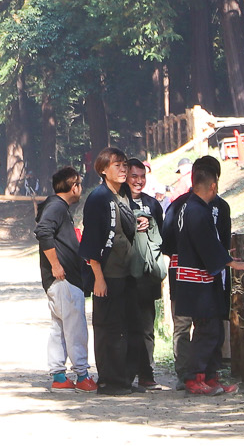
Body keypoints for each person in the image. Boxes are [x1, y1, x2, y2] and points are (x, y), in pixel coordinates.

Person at [162, 154, 244, 395]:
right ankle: (194, 377)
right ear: (213, 185)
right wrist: (230, 261)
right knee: (205, 330)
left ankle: (209, 376)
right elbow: (206, 244)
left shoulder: (187, 206)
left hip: (197, 278)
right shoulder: (196, 210)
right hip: (197, 280)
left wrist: (223, 258)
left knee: (213, 329)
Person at [79, 149, 163, 396]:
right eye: (117, 165)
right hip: (108, 274)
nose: (123, 169)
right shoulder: (98, 198)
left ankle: (125, 379)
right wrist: (98, 278)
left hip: (127, 274)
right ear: (103, 170)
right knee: (108, 329)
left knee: (128, 327)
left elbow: (123, 229)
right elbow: (92, 241)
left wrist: (141, 223)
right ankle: (110, 381)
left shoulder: (122, 195)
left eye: (124, 165)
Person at [35, 166, 93, 391]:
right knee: (75, 327)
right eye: (78, 184)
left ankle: (59, 376)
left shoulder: (56, 206)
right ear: (73, 185)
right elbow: (43, 232)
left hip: (60, 281)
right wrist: (56, 265)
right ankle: (82, 375)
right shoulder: (57, 207)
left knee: (59, 327)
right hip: (64, 279)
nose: (80, 189)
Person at [124, 156, 169, 390]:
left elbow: (161, 237)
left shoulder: (153, 204)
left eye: (142, 177)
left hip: (147, 276)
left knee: (146, 326)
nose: (139, 181)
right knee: (126, 326)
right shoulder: (119, 202)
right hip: (124, 275)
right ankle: (126, 374)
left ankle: (146, 372)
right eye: (134, 176)